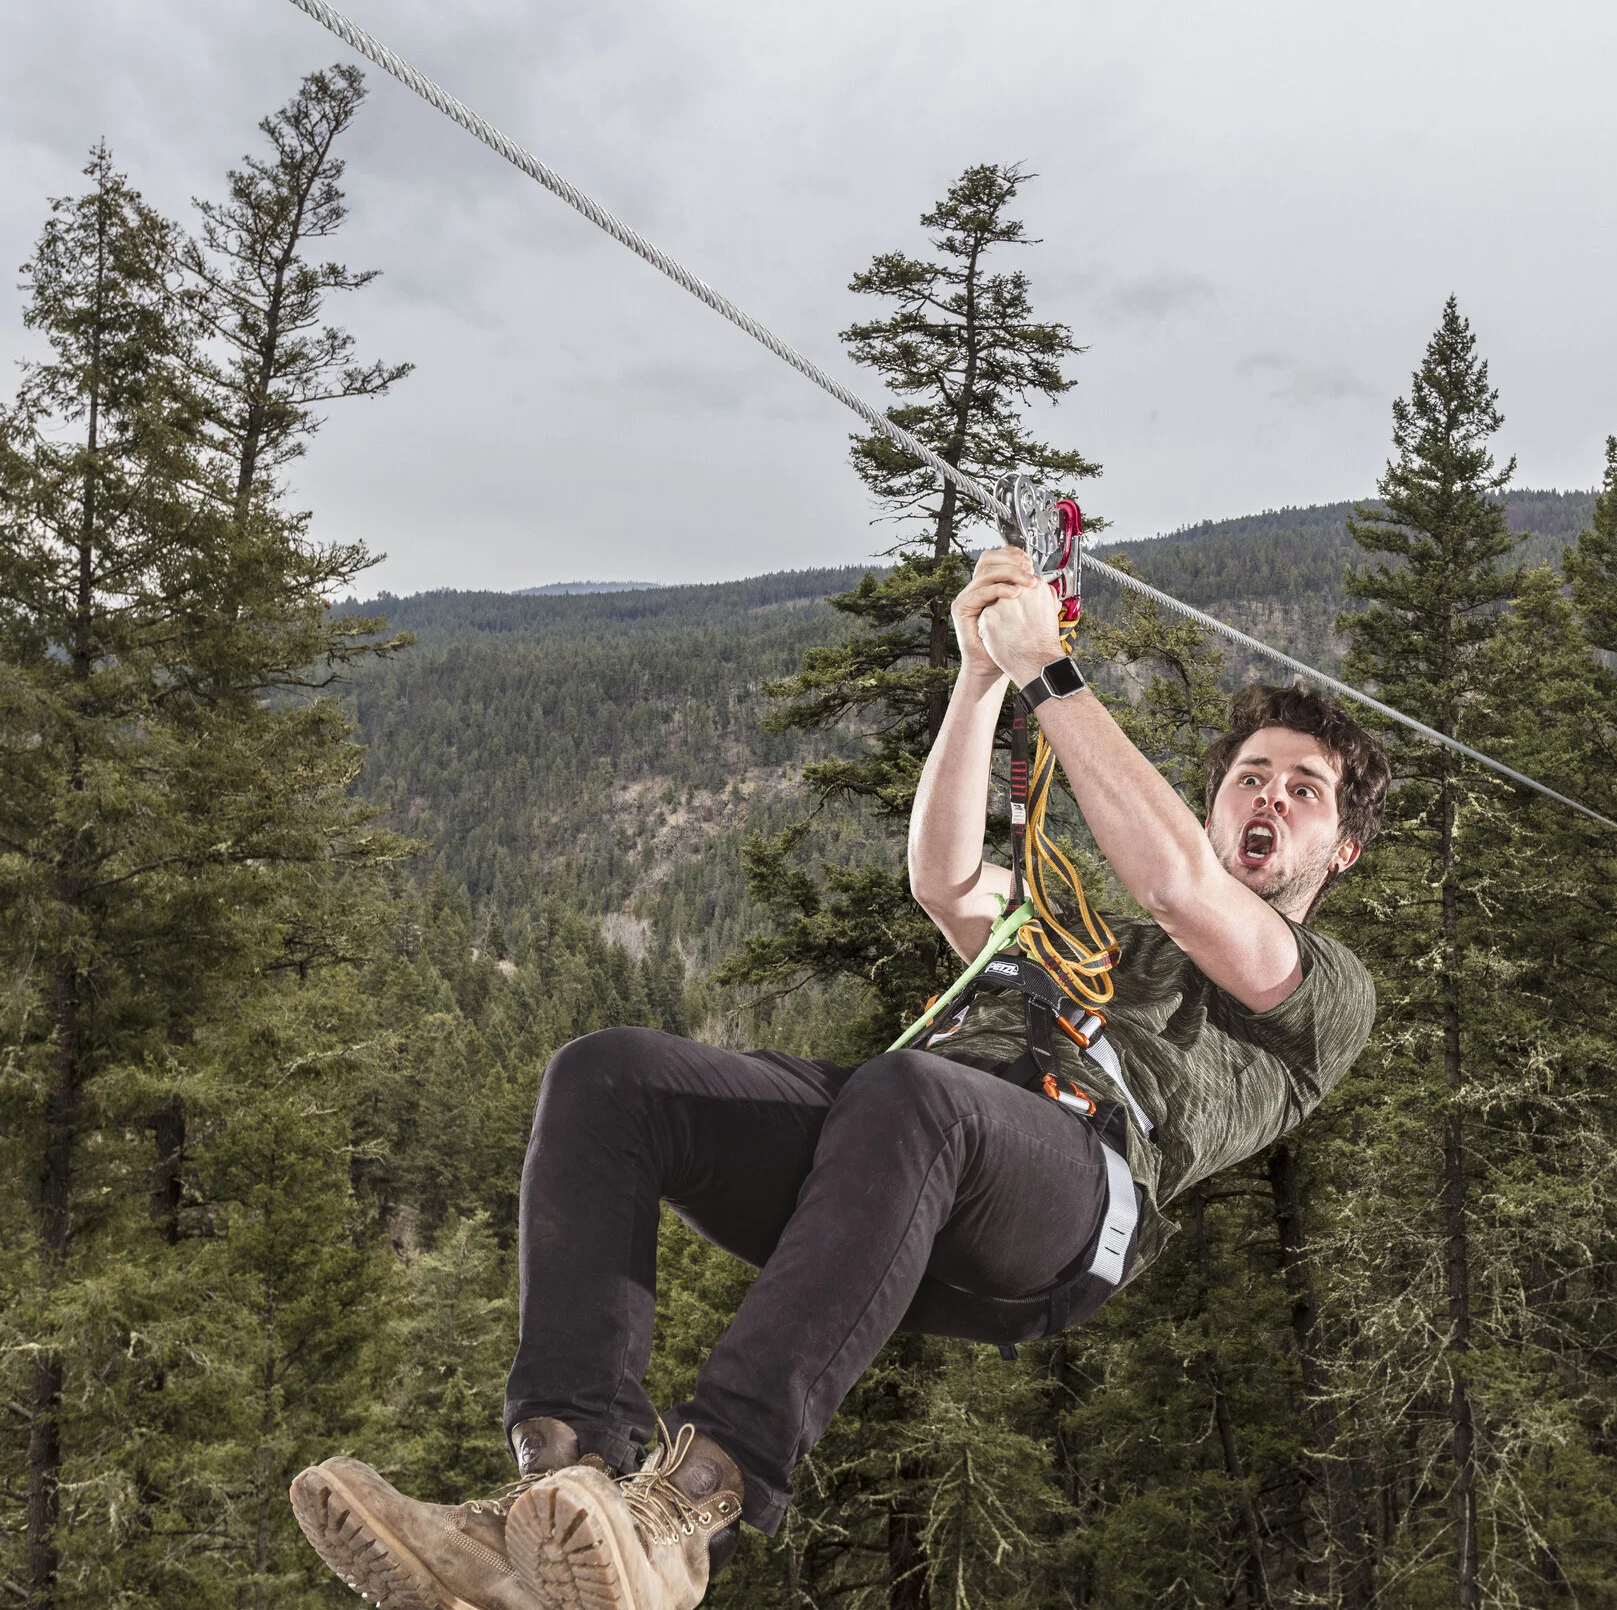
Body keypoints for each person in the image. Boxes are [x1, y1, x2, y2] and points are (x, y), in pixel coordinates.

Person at [290, 545, 1390, 1610]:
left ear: (1338, 849)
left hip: (1069, 1197)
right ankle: (558, 1490)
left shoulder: (1324, 987)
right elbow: (948, 877)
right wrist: (974, 679)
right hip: (898, 1151)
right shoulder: (1082, 928)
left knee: (916, 1095)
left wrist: (1048, 672)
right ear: (1215, 796)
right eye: (1253, 775)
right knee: (608, 1076)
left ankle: (691, 1501)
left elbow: (1184, 892)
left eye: (1305, 790)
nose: (1273, 797)